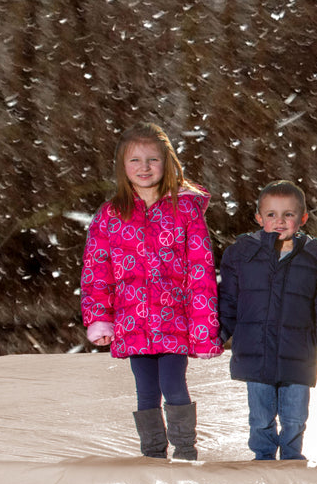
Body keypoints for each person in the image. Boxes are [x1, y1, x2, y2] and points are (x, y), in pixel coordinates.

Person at [80, 122, 222, 460]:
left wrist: (203, 328)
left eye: (152, 160)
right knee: (145, 391)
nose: (144, 168)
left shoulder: (185, 211)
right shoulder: (111, 215)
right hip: (132, 323)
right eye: (135, 161)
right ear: (122, 167)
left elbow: (200, 272)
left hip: (175, 320)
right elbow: (96, 272)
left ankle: (186, 451)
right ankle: (153, 456)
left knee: (174, 385)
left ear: (167, 162)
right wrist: (100, 318)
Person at [218, 181, 317, 461]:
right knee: (261, 416)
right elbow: (229, 300)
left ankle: (292, 457)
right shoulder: (243, 255)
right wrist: (217, 333)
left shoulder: (315, 257)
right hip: (256, 352)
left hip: (298, 352)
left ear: (303, 218)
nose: (280, 221)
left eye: (288, 215)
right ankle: (263, 457)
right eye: (271, 215)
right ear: (258, 218)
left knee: (295, 416)